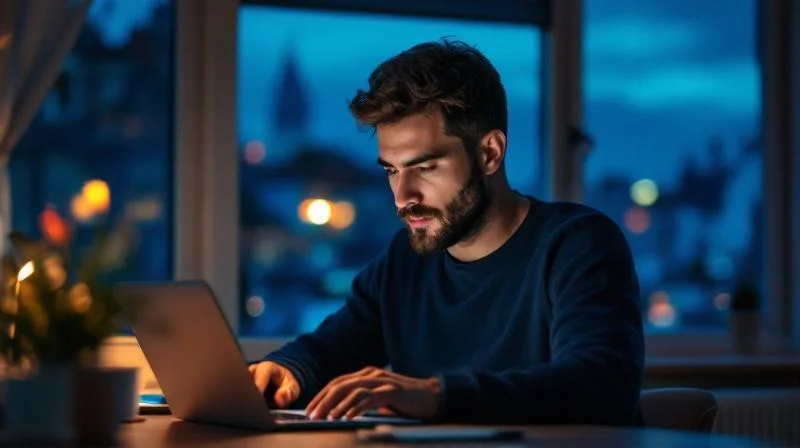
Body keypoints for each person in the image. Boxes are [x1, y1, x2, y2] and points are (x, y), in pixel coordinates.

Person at [249, 38, 645, 425]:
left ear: (489, 153)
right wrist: (287, 371)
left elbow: (601, 385)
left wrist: (435, 395)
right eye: (392, 170)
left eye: (424, 167)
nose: (403, 197)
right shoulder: (405, 260)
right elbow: (327, 349)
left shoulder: (578, 243)